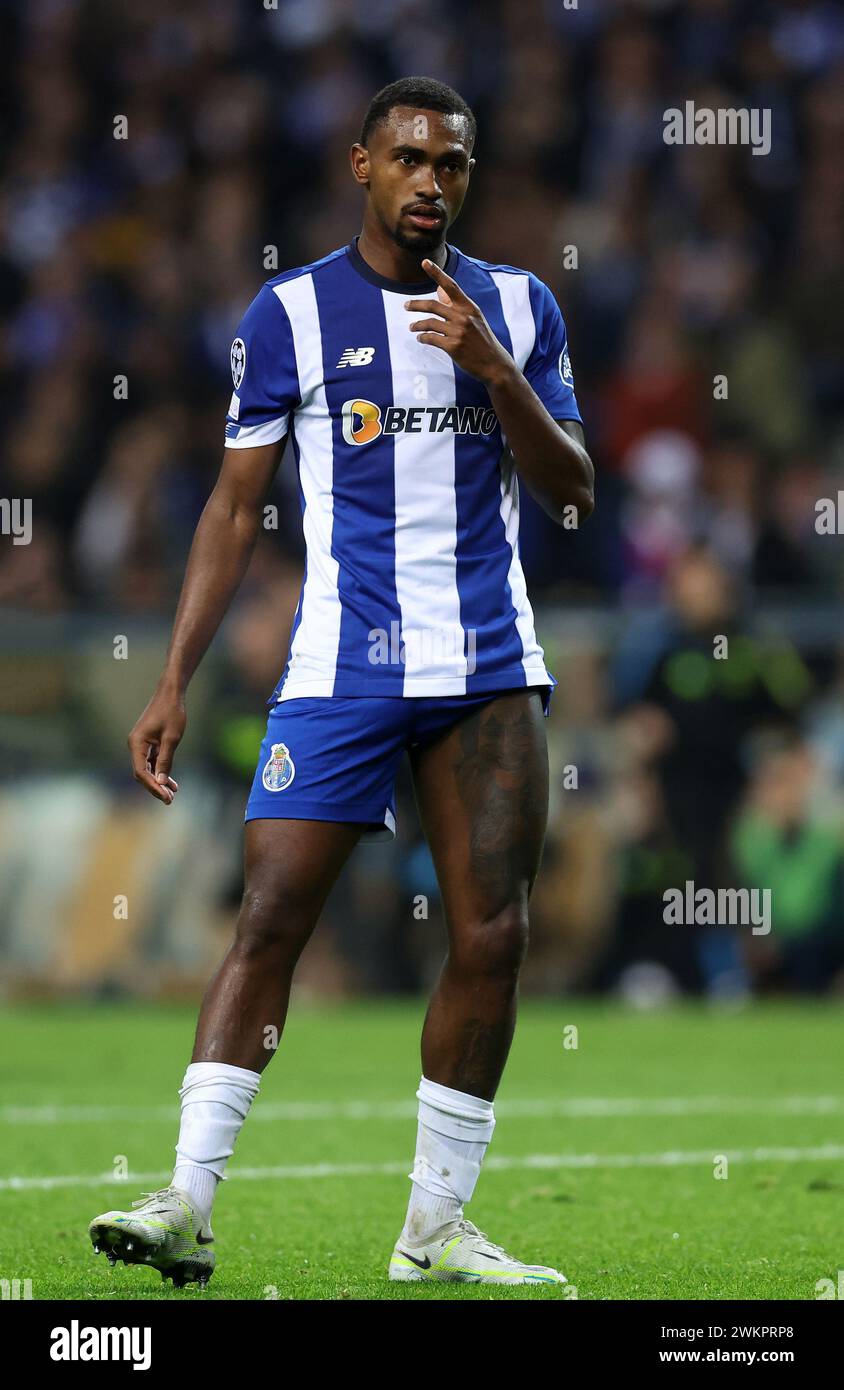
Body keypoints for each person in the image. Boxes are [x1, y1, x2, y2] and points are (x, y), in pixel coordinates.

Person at [88, 76, 594, 1288]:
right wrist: (173, 680)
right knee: (268, 920)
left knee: (493, 935)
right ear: (360, 166)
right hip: (338, 665)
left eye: (453, 164)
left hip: (483, 665)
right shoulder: (290, 314)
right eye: (410, 158)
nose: (432, 182)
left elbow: (572, 489)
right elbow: (231, 504)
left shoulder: (518, 308)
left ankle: (434, 1229)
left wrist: (497, 376)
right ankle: (185, 1202)